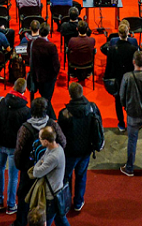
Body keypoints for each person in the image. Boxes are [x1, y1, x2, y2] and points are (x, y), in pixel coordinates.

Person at [13, 98, 66, 226]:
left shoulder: (25, 128)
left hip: (29, 169)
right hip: (49, 172)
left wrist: (22, 167)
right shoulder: (52, 125)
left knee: (24, 196)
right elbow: (63, 142)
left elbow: (19, 150)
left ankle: (21, 222)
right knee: (50, 200)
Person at [57, 83, 100, 213]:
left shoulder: (64, 114)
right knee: (81, 176)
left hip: (69, 152)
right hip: (85, 150)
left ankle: (65, 202)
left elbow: (60, 135)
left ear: (70, 95)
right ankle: (78, 202)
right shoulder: (91, 109)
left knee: (66, 177)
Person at [0, 79, 31, 215]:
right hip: (14, 147)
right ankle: (11, 205)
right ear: (24, 91)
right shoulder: (26, 110)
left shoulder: (1, 102)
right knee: (13, 176)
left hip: (0, 142)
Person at [32, 126, 71, 226]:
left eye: (40, 139)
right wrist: (42, 161)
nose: (39, 140)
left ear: (46, 141)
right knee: (61, 219)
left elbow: (36, 172)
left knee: (46, 221)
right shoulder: (55, 148)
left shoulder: (53, 156)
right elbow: (43, 159)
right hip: (57, 191)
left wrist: (39, 163)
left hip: (51, 196)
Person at [104, 22, 137, 132]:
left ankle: (121, 123)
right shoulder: (133, 49)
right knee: (130, 100)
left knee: (118, 101)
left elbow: (109, 65)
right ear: (128, 33)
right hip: (130, 78)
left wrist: (106, 77)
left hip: (117, 78)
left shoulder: (112, 49)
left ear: (118, 34)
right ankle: (131, 122)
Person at [30, 25, 59, 111]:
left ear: (39, 31)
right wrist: (54, 76)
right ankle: (46, 115)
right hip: (49, 78)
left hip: (37, 75)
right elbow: (56, 65)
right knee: (47, 100)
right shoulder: (51, 47)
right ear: (49, 33)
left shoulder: (32, 43)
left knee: (45, 97)